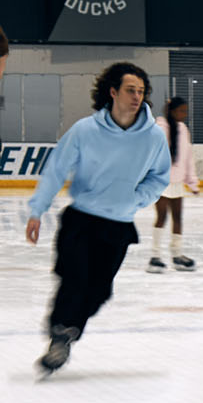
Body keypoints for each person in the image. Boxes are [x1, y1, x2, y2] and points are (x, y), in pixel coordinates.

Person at [26, 63, 170, 373]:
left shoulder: (153, 137)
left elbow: (159, 177)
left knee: (100, 290)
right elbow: (56, 170)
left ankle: (69, 332)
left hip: (118, 225)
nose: (137, 97)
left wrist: (136, 199)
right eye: (130, 90)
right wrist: (37, 210)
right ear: (113, 92)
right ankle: (60, 334)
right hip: (81, 221)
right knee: (74, 278)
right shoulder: (85, 130)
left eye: (141, 91)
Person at [148, 97, 199, 272]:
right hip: (161, 182)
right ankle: (155, 256)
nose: (184, 114)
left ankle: (177, 255)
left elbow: (188, 158)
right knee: (161, 217)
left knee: (178, 217)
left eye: (185, 111)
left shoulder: (183, 130)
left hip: (177, 182)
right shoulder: (159, 129)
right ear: (171, 111)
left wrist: (192, 182)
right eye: (181, 111)